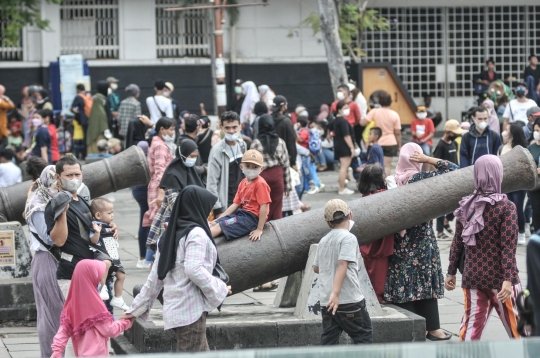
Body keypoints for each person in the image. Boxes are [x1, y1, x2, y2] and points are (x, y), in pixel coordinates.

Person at [125, 186, 230, 352]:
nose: (209, 213)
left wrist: (135, 309)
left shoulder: (169, 234)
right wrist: (220, 288)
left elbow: (155, 278)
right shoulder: (196, 234)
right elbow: (193, 269)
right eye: (207, 208)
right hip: (190, 311)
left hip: (175, 310)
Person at [385, 143, 458, 341]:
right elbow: (453, 170)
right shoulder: (418, 178)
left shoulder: (393, 180)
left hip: (400, 243)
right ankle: (432, 328)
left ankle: (410, 329)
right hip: (421, 242)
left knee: (405, 284)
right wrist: (428, 160)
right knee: (424, 284)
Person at [446, 155, 522, 341]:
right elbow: (508, 247)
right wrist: (508, 278)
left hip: (473, 276)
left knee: (470, 330)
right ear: (498, 175)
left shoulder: (466, 205)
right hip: (500, 278)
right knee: (519, 328)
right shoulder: (506, 207)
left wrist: (450, 272)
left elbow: (457, 241)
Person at [45, 156, 117, 298]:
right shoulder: (53, 205)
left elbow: (93, 227)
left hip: (94, 270)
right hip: (72, 273)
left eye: (77, 174)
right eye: (69, 175)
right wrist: (62, 213)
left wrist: (110, 227)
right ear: (58, 177)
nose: (74, 179)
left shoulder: (84, 202)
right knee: (79, 319)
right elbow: (59, 241)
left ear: (82, 175)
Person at [313, 199, 373, 345]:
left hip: (327, 301)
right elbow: (342, 264)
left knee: (329, 340)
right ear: (350, 215)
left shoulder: (323, 240)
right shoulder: (349, 238)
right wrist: (336, 293)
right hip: (348, 299)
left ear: (328, 223)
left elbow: (316, 268)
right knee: (363, 337)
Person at [51, 260, 133, 357]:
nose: (102, 279)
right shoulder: (96, 304)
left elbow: (63, 331)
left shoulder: (72, 303)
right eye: (100, 275)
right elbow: (109, 330)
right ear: (92, 276)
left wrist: (57, 351)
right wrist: (126, 321)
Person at [23, 165, 64, 358]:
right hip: (46, 259)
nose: (59, 186)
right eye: (57, 182)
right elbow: (49, 238)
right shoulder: (38, 204)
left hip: (59, 260)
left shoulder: (55, 199)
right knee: (51, 316)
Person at [146, 140, 205, 266]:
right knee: (163, 257)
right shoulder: (172, 174)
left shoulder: (191, 171)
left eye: (195, 157)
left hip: (189, 218)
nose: (193, 159)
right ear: (183, 154)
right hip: (172, 220)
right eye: (191, 156)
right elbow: (174, 202)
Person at [210, 150, 271, 242]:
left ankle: (198, 242)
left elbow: (264, 207)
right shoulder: (243, 183)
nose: (251, 169)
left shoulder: (260, 184)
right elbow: (235, 204)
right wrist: (221, 217)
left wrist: (259, 229)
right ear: (241, 167)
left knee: (219, 226)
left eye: (255, 167)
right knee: (214, 223)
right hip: (241, 214)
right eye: (248, 166)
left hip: (252, 218)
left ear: (261, 169)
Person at [356, 166, 393, 303]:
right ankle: (378, 297)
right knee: (379, 273)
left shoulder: (364, 197)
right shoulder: (384, 194)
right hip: (381, 244)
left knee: (368, 271)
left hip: (365, 244)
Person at [143, 118, 175, 263]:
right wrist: (162, 192)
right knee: (159, 224)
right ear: (162, 129)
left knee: (156, 224)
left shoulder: (156, 143)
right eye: (171, 129)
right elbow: (160, 170)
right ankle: (151, 260)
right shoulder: (160, 146)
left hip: (157, 187)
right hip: (160, 188)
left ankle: (151, 260)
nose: (172, 133)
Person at [250, 114, 292, 220]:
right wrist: (288, 185)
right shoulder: (281, 142)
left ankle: (263, 231)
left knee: (263, 206)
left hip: (262, 178)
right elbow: (286, 165)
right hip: (278, 177)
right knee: (277, 208)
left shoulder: (255, 143)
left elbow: (251, 166)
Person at [89, 197, 128, 310]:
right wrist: (97, 232)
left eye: (113, 212)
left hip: (113, 255)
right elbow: (94, 241)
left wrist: (115, 230)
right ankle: (102, 287)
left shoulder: (109, 225)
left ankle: (118, 298)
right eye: (109, 213)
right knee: (105, 264)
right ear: (98, 215)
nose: (112, 215)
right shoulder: (95, 225)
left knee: (121, 275)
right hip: (102, 253)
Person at [206, 111, 246, 218]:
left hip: (243, 202)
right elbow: (211, 183)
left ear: (240, 127)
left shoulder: (243, 145)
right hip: (225, 205)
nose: (231, 131)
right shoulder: (217, 150)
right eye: (227, 128)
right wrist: (218, 209)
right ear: (222, 128)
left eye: (234, 127)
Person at [433, 119, 464, 239]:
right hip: (443, 179)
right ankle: (439, 231)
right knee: (441, 205)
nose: (457, 134)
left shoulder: (454, 143)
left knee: (458, 202)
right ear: (449, 132)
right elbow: (435, 162)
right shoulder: (440, 145)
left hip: (454, 178)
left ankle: (447, 221)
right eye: (455, 132)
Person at [500, 124, 530, 245]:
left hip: (517, 184)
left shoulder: (520, 148)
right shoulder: (503, 146)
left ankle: (521, 232)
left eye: (507, 130)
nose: (504, 131)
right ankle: (509, 232)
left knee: (517, 208)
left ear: (512, 133)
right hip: (506, 182)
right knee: (506, 209)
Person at [360, 91, 401, 176]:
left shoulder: (375, 112)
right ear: (390, 101)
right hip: (390, 142)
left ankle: (378, 184)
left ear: (379, 102)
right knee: (387, 166)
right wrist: (399, 146)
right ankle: (387, 185)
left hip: (377, 142)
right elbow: (397, 133)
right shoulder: (395, 114)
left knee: (377, 165)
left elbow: (362, 123)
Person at [132, 141, 150, 269]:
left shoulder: (136, 159)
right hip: (144, 192)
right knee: (145, 222)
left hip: (138, 190)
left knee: (144, 221)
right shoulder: (146, 160)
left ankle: (144, 256)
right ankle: (144, 257)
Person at [333, 101, 356, 195]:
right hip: (344, 146)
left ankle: (342, 186)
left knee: (343, 167)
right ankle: (342, 188)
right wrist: (352, 147)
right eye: (345, 108)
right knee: (344, 167)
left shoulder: (336, 120)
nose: (348, 110)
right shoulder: (343, 121)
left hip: (338, 145)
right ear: (339, 110)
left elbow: (329, 129)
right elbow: (347, 136)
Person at [87, 81, 112, 155]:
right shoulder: (103, 99)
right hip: (102, 130)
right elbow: (107, 115)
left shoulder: (94, 98)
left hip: (93, 128)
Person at [271, 95, 297, 168]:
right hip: (285, 158)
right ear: (282, 107)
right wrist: (293, 162)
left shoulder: (268, 120)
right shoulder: (286, 121)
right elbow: (291, 142)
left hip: (271, 158)